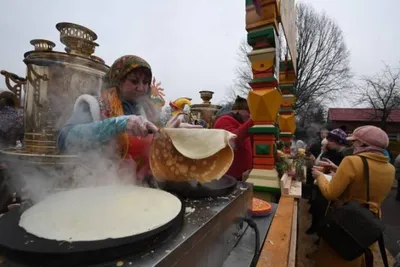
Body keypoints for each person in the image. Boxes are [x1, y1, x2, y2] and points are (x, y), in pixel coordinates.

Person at [58, 55, 193, 184]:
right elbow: (64, 139)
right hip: (102, 186)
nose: (141, 88)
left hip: (142, 186)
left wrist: (172, 133)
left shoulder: (148, 110)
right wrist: (117, 124)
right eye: (134, 81)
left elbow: (157, 141)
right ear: (118, 81)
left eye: (145, 82)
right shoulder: (95, 105)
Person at [311, 125, 394, 267]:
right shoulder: (390, 168)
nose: (353, 144)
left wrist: (320, 177)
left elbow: (330, 193)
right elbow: (365, 181)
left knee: (334, 257)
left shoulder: (351, 161)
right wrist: (338, 170)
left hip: (345, 219)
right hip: (368, 219)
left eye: (355, 141)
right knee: (354, 254)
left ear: (362, 143)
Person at [213, 96, 253, 180]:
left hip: (243, 175)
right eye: (248, 111)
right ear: (238, 109)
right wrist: (252, 121)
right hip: (229, 177)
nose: (249, 115)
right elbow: (233, 139)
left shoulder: (242, 123)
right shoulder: (223, 120)